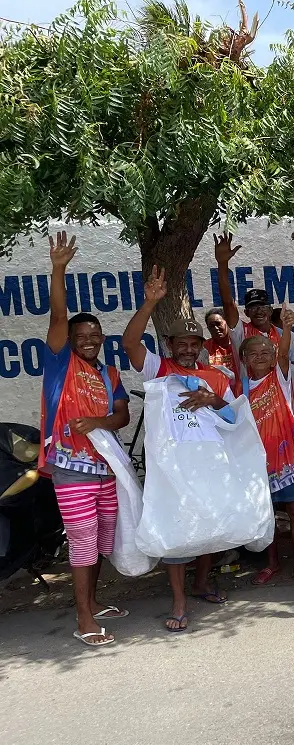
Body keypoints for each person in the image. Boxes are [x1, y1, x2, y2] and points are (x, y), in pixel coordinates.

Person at [123, 266, 233, 631]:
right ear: (170, 346)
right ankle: (179, 599)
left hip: (208, 465)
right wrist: (150, 302)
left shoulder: (217, 376)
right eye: (180, 343)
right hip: (170, 467)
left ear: (202, 347)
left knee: (207, 527)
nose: (187, 349)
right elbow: (129, 344)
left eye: (193, 343)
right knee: (175, 530)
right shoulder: (158, 367)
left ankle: (200, 583)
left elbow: (235, 418)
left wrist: (213, 399)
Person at [40, 232, 131, 647]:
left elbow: (122, 415)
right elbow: (59, 318)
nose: (89, 341)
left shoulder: (110, 374)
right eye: (82, 337)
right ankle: (83, 619)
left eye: (95, 335)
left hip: (105, 468)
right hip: (71, 468)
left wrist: (99, 421)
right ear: (71, 342)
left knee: (103, 538)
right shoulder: (61, 363)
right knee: (82, 541)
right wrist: (59, 269)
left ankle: (93, 602)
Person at [239, 306, 294, 587]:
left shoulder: (280, 378)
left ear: (273, 358)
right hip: (258, 461)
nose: (260, 356)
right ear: (244, 358)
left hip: (288, 457)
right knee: (266, 512)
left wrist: (286, 328)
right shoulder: (240, 387)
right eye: (253, 353)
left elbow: (284, 353)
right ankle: (272, 564)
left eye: (265, 352)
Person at [212, 233, 294, 364]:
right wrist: (222, 264)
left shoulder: (287, 336)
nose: (258, 311)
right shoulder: (240, 333)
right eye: (253, 307)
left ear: (271, 310)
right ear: (246, 313)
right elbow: (228, 303)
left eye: (262, 306)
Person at [203, 307, 240, 385]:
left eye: (218, 324)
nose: (215, 328)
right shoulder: (205, 348)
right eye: (211, 326)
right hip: (218, 389)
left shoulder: (238, 343)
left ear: (226, 322)